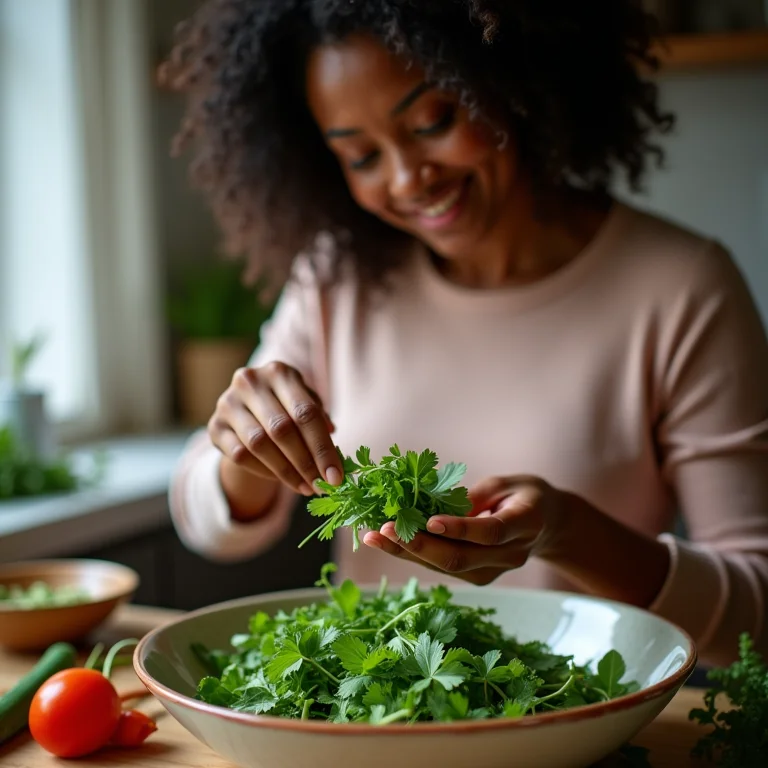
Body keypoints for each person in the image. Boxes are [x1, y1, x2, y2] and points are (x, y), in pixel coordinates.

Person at [162, 0, 768, 667]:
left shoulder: (682, 286)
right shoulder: (339, 279)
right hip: (375, 711)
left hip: (580, 709)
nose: (407, 179)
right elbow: (208, 524)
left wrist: (565, 533)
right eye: (361, 156)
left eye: (434, 122)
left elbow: (756, 616)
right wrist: (246, 448)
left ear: (514, 79)